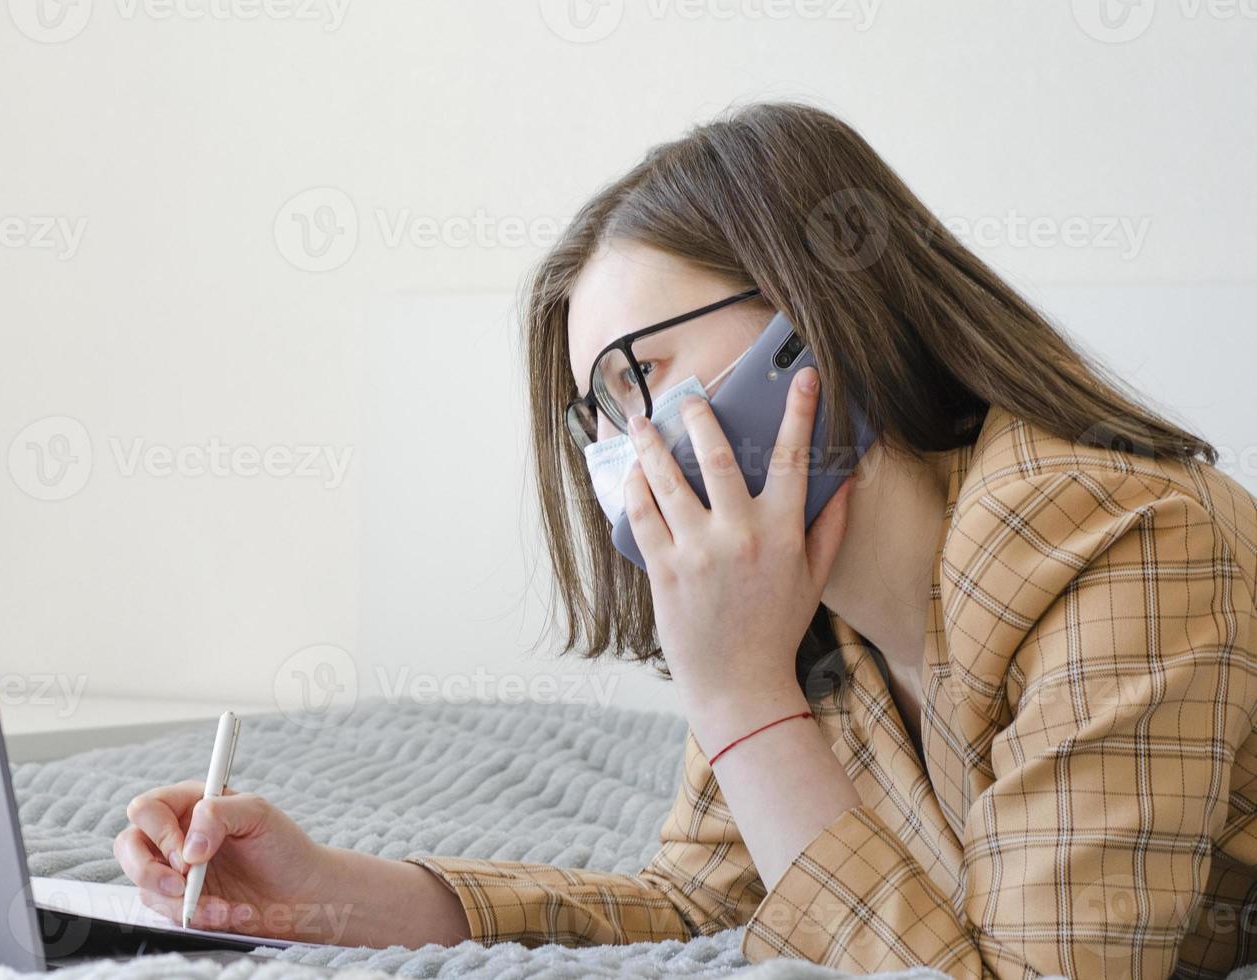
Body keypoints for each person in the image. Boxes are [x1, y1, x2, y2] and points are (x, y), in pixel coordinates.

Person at [115, 102, 1257, 979]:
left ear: (812, 321)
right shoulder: (793, 598)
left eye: (640, 376)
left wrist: (740, 696)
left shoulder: (1115, 536)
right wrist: (325, 895)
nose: (626, 447)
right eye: (597, 413)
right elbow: (698, 896)